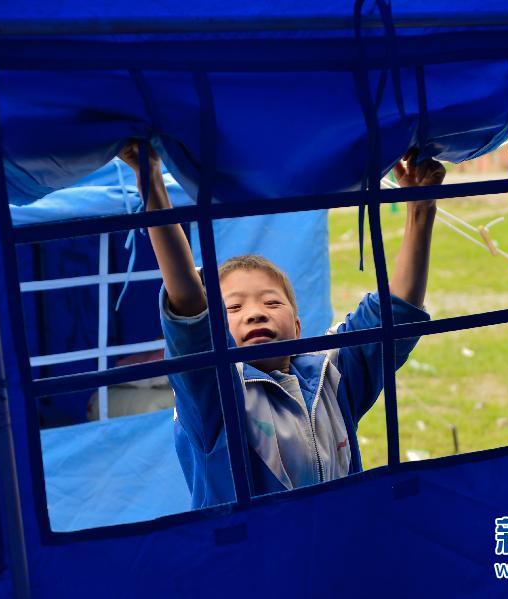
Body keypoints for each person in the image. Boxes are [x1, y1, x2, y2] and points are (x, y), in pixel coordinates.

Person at [118, 141, 445, 508]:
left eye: (272, 302)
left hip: (340, 552)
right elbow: (190, 311)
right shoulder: (214, 395)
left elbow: (394, 314)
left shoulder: (333, 375)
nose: (255, 313)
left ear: (298, 325)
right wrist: (151, 181)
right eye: (233, 308)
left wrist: (421, 209)